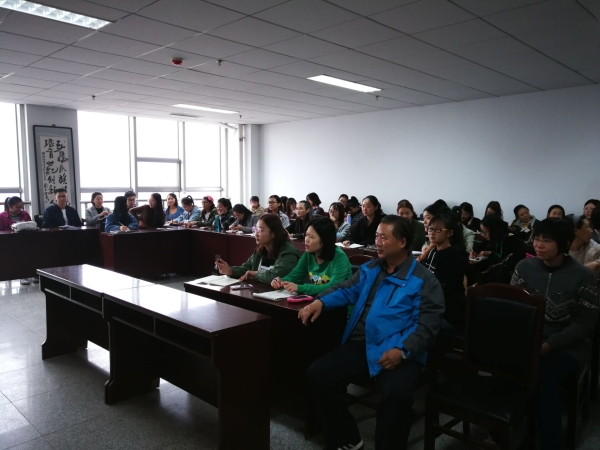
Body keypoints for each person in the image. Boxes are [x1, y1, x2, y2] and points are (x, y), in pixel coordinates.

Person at [299, 215, 444, 450]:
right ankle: (347, 439)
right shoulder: (370, 269)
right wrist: (321, 301)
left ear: (402, 242)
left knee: (396, 396)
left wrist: (402, 350)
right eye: (376, 236)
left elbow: (427, 326)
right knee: (319, 374)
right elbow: (346, 289)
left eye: (383, 237)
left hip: (400, 348)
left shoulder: (424, 280)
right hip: (363, 343)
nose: (377, 242)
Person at [511, 218, 598, 450]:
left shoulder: (582, 276)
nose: (539, 245)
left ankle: (551, 443)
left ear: (564, 244)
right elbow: (513, 307)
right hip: (531, 339)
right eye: (537, 239)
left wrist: (551, 344)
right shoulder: (524, 267)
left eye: (547, 241)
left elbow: (585, 322)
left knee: (543, 375)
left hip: (570, 345)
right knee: (501, 366)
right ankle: (506, 429)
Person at [272, 217, 352, 295]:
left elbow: (333, 287)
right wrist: (280, 281)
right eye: (306, 235)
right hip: (316, 299)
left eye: (311, 237)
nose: (306, 240)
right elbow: (294, 276)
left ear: (325, 239)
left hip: (339, 301)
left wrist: (300, 288)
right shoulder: (308, 254)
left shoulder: (339, 257)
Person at [215, 214, 301, 283]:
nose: (256, 234)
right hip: (261, 292)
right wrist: (230, 271)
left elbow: (276, 276)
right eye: (255, 229)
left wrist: (256, 274)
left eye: (260, 230)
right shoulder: (260, 249)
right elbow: (246, 268)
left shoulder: (288, 252)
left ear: (273, 234)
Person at [421, 213, 468, 327]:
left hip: (447, 312)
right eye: (430, 229)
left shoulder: (454, 257)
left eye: (437, 229)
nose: (431, 232)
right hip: (430, 306)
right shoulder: (433, 252)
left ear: (449, 233)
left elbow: (444, 289)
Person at [1, 196, 34, 285]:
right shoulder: (2, 216)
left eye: (21, 207)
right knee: (19, 253)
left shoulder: (25, 214)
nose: (20, 209)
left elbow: (31, 225)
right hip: (9, 242)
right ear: (10, 206)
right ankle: (22, 275)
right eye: (17, 207)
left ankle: (34, 273)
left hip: (25, 240)